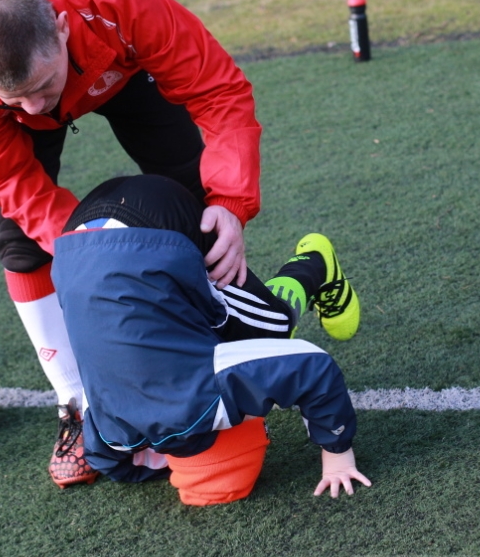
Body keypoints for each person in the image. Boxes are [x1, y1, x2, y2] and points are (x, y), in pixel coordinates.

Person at [0, 0, 262, 486]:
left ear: (58, 27)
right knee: (20, 243)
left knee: (192, 198)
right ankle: (79, 406)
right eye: (16, 98)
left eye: (41, 85)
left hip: (115, 66)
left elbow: (217, 90)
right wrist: (84, 252)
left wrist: (230, 198)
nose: (34, 107)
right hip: (18, 85)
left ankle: (212, 362)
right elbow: (5, 173)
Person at [51, 174, 368, 505]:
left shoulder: (211, 396)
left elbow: (312, 363)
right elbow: (105, 459)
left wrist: (337, 456)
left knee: (272, 327)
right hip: (73, 244)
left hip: (157, 218)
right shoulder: (116, 435)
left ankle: (317, 264)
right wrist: (151, 468)